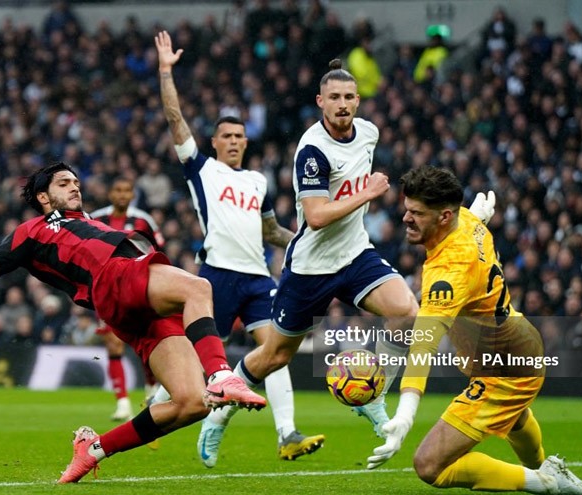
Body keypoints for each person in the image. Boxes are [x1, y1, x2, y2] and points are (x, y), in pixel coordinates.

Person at [0, 162, 266, 484]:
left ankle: (93, 450)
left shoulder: (90, 220)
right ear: (43, 197)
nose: (75, 186)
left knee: (191, 404)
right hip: (113, 277)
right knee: (197, 288)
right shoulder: (31, 232)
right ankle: (220, 373)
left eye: (76, 181)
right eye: (63, 182)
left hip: (127, 305)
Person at [222, 59, 423, 444]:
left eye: (349, 96)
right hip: (311, 266)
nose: (342, 104)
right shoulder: (312, 151)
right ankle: (221, 414)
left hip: (355, 254)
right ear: (320, 102)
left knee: (407, 312)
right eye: (334, 97)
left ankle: (372, 396)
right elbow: (314, 217)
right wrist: (367, 193)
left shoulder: (368, 132)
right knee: (275, 355)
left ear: (359, 101)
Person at [366, 166, 582, 495]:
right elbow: (469, 225)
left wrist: (405, 413)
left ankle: (545, 483)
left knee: (429, 466)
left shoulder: (448, 273)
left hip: (504, 368)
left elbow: (424, 345)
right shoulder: (466, 221)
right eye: (406, 209)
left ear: (444, 216)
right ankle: (546, 467)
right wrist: (477, 215)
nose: (406, 218)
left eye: (416, 213)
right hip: (515, 344)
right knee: (513, 417)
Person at [155, 30, 324, 467]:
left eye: (239, 136)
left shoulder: (258, 182)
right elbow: (175, 119)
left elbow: (270, 231)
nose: (233, 141)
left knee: (276, 351)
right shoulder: (202, 170)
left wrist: (306, 240)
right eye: (226, 135)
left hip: (256, 279)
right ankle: (153, 411)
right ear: (214, 141)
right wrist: (165, 72)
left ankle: (286, 433)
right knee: (190, 358)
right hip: (214, 277)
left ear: (246, 142)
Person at [90, 176, 164, 422]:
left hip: (137, 287)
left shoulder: (144, 220)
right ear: (110, 194)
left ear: (132, 195)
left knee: (144, 342)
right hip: (107, 289)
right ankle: (122, 403)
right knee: (113, 344)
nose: (122, 195)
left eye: (126, 191)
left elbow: (157, 251)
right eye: (117, 190)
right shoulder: (96, 219)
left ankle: (151, 389)